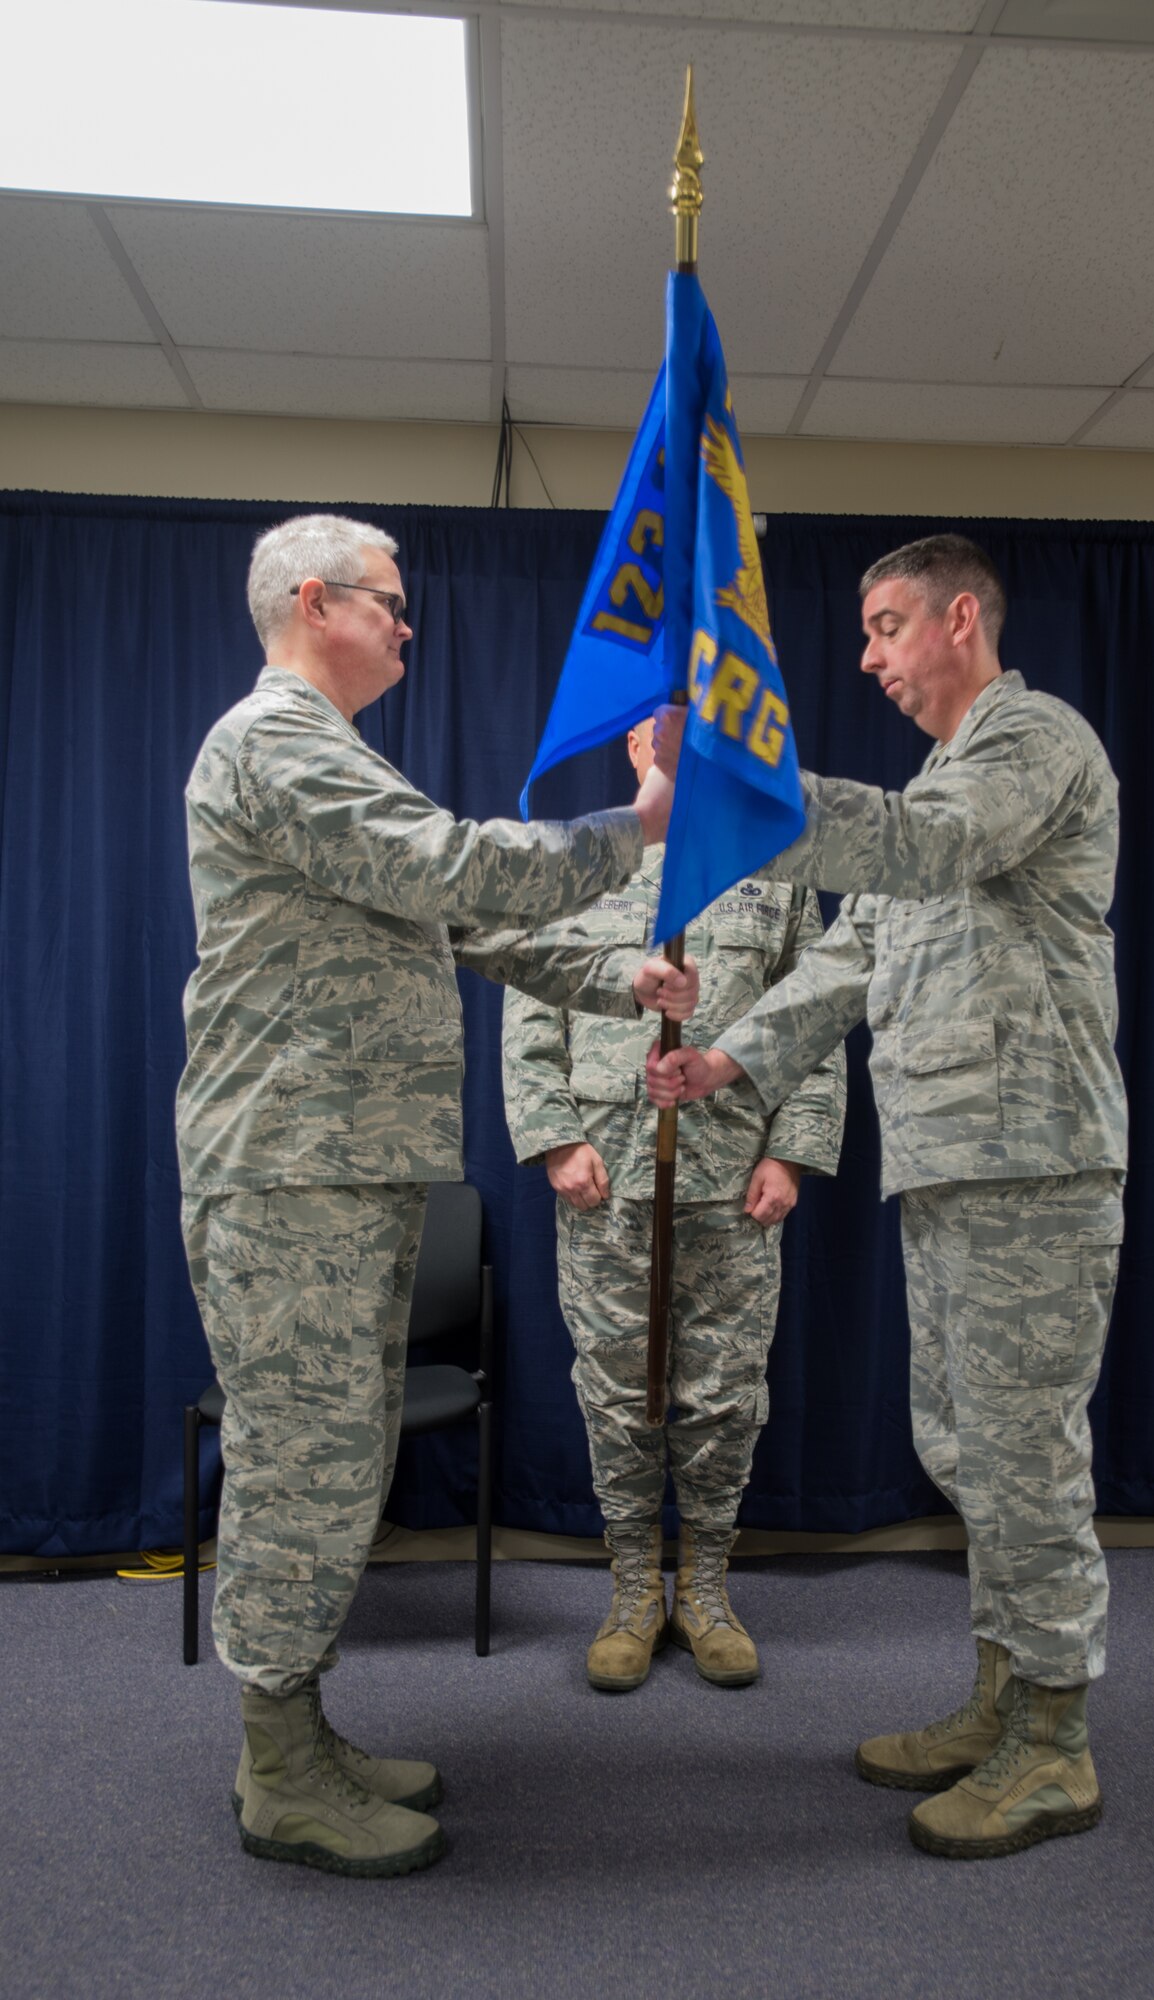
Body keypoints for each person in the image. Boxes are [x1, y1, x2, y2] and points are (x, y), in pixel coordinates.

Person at [178, 514, 694, 1878]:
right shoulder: (272, 738)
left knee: (338, 1457)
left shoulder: (333, 755)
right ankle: (277, 1768)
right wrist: (631, 828)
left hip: (340, 1161)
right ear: (310, 601)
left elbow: (461, 926)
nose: (408, 625)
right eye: (388, 603)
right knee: (304, 1460)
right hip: (291, 1162)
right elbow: (456, 868)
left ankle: (298, 1726)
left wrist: (613, 979)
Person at [648, 533, 1127, 1859]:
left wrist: (738, 787)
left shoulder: (1028, 748)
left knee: (1023, 1457)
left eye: (881, 628)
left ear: (957, 617)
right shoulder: (940, 775)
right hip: (957, 1159)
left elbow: (925, 848)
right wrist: (731, 1053)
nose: (864, 658)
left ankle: (1052, 1747)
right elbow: (856, 948)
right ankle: (1000, 1698)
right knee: (969, 1448)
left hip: (1026, 1155)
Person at [501, 715, 846, 1693]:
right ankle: (629, 1590)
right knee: (617, 1397)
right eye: (661, 730)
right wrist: (557, 1136)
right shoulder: (575, 864)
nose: (680, 747)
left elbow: (814, 1020)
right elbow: (529, 1014)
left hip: (736, 1186)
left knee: (724, 1397)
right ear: (633, 747)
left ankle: (705, 1589)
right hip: (605, 1180)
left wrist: (794, 1149)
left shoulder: (772, 867)